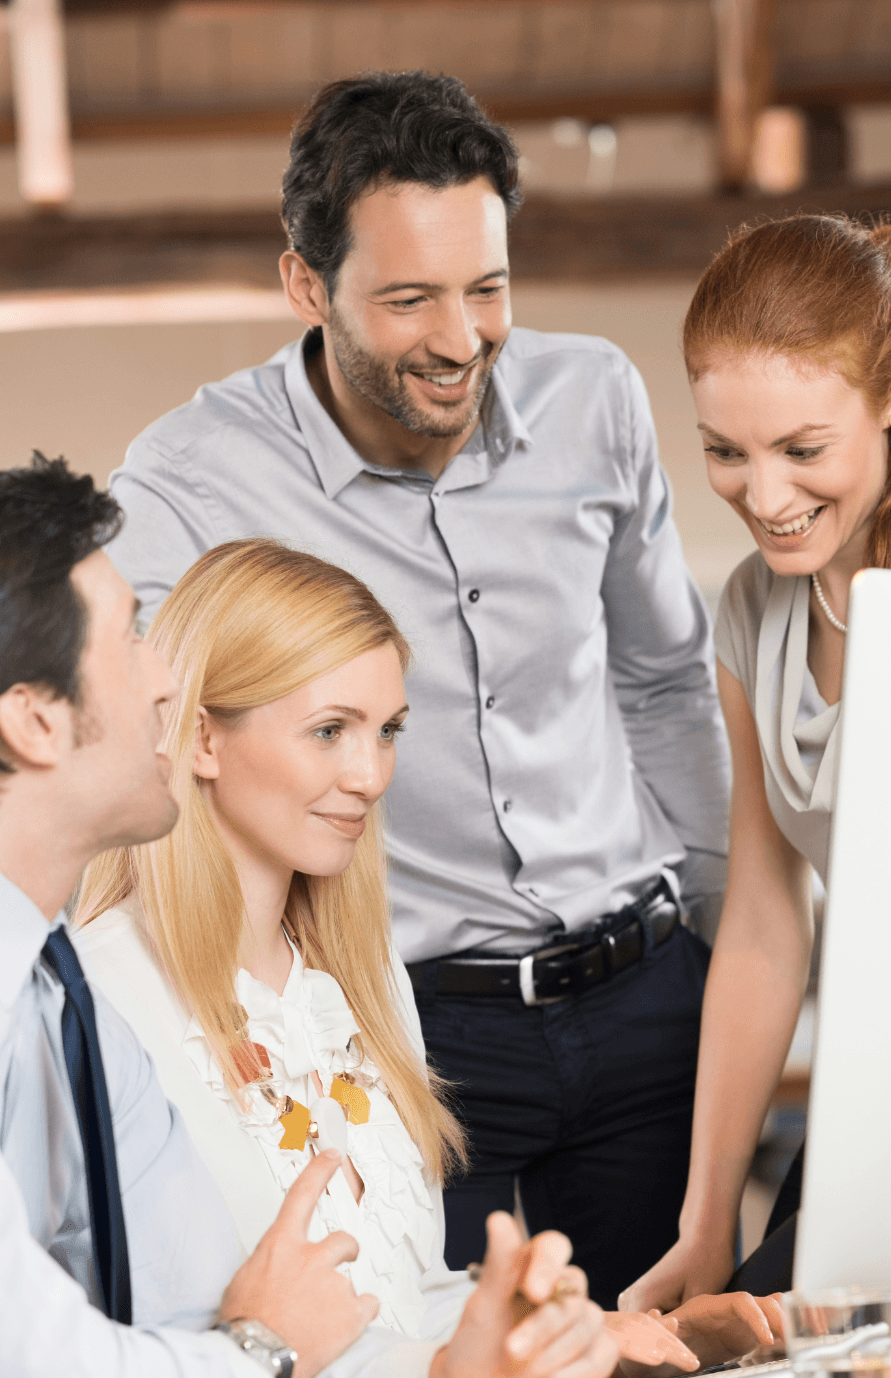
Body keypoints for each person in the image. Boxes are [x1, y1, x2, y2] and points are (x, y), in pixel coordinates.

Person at [105, 71, 732, 1309]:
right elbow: (142, 740)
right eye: (407, 299)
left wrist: (719, 936)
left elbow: (662, 682)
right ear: (305, 284)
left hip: (647, 997)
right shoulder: (191, 475)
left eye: (486, 288)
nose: (460, 340)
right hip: (420, 1030)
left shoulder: (594, 397)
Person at [0, 455, 627, 1378]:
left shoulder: (55, 996)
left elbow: (263, 1344)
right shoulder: (95, 990)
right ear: (33, 719)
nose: (165, 676)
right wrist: (259, 1349)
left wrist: (449, 1375)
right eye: (129, 639)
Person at [75, 536, 780, 1378]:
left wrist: (600, 1337)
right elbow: (131, 1358)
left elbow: (412, 1302)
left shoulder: (364, 980)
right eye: (330, 731)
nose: (370, 775)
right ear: (201, 741)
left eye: (387, 732)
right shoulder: (103, 999)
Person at [621, 214, 891, 1331]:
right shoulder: (751, 615)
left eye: (803, 449)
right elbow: (770, 926)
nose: (764, 495)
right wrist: (707, 1219)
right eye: (727, 449)